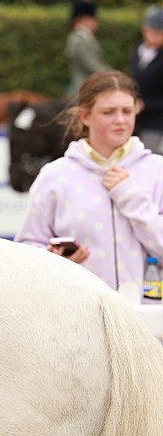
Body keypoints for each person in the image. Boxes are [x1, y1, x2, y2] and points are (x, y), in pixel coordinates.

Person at [16, 69, 163, 294]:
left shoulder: (157, 170)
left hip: (148, 319)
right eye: (108, 112)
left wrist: (132, 199)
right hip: (78, 316)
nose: (120, 120)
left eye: (127, 111)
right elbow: (26, 250)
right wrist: (53, 260)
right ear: (85, 116)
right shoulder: (54, 176)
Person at [130, 5, 163, 154]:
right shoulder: (138, 50)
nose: (153, 36)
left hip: (156, 120)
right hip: (134, 117)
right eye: (150, 31)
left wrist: (146, 104)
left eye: (158, 33)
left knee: (147, 154)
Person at [64, 0, 110, 100]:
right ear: (83, 19)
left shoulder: (83, 37)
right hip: (83, 88)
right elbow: (92, 65)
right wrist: (112, 75)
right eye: (93, 19)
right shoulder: (80, 40)